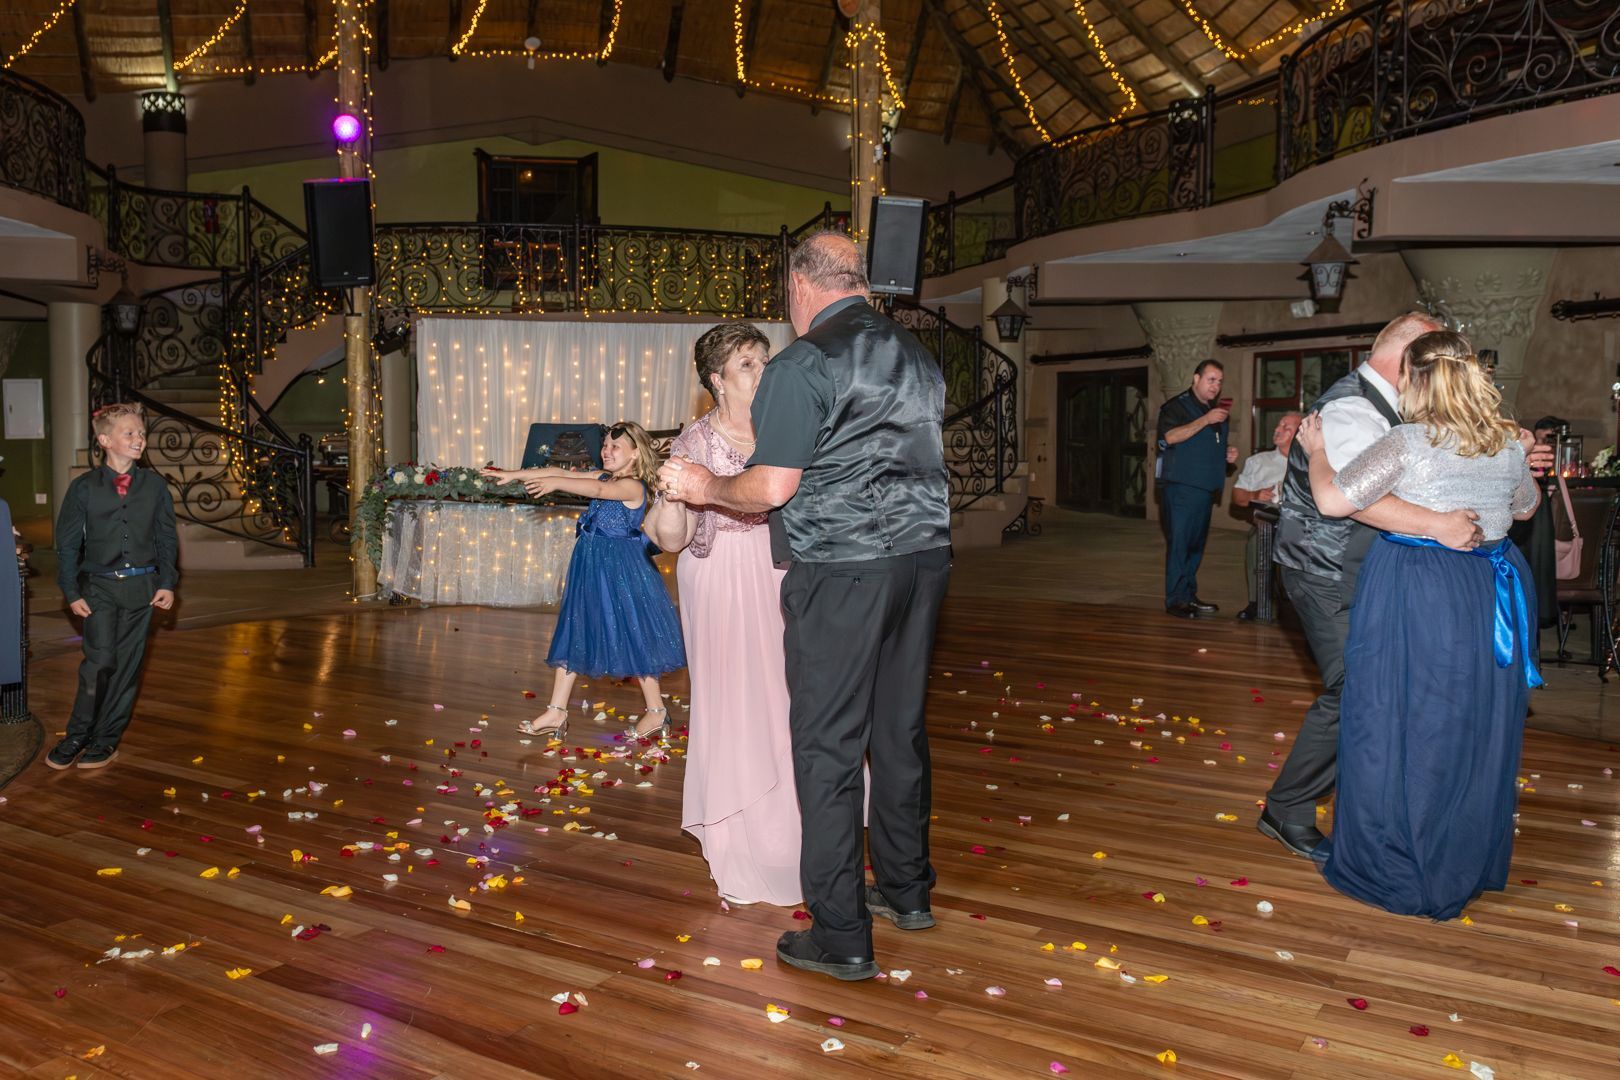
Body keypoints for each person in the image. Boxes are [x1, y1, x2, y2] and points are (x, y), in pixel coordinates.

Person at [656, 232, 951, 982]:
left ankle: (841, 933)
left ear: (798, 284)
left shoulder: (805, 361)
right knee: (898, 730)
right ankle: (907, 890)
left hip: (845, 567)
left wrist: (702, 487)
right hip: (924, 558)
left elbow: (770, 487)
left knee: (827, 745)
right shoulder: (916, 354)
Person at [1260, 312, 1551, 859]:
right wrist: (1439, 522)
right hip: (1330, 572)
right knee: (1357, 689)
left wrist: (1502, 456)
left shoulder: (1414, 415)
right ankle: (1287, 808)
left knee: (1397, 693)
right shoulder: (1350, 410)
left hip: (1392, 577)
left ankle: (1397, 808)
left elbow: (1455, 477)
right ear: (1414, 359)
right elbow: (1353, 500)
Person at [643, 323, 802, 907]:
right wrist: (671, 493)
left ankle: (799, 828)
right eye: (747, 365)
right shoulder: (694, 442)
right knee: (737, 700)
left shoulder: (786, 427)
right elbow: (672, 539)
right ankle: (742, 833)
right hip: (722, 580)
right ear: (717, 380)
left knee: (788, 696)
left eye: (764, 360)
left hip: (781, 572)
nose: (762, 372)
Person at [483, 421, 685, 743]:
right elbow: (560, 472)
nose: (607, 451)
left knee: (634, 635)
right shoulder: (604, 476)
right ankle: (557, 711)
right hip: (590, 566)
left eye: (615, 447)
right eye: (605, 445)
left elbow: (599, 492)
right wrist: (513, 474)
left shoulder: (633, 487)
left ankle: (656, 711)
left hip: (621, 571)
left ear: (635, 453)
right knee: (576, 628)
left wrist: (554, 485)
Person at [48, 403, 178, 771]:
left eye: (141, 433)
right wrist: (71, 590)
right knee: (99, 663)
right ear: (105, 440)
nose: (139, 439)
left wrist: (167, 582)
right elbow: (68, 544)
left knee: (126, 668)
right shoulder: (83, 488)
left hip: (142, 588)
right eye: (130, 433)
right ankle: (77, 734)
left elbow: (166, 538)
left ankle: (106, 739)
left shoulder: (155, 486)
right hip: (98, 588)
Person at [1155, 360, 1239, 619]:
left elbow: (1206, 445)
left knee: (1195, 545)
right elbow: (1169, 437)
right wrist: (1205, 420)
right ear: (1196, 379)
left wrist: (1226, 454)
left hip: (1204, 488)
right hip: (1181, 487)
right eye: (1211, 379)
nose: (1216, 386)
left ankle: (1188, 595)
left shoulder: (1214, 411)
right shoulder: (1177, 406)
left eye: (1219, 381)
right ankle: (1176, 600)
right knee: (1180, 544)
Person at [1231, 411, 1303, 621]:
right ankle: (1257, 602)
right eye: (1279, 425)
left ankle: (1298, 606)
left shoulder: (1311, 463)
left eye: (1286, 427)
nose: (1277, 429)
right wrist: (1255, 495)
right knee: (1257, 542)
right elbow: (1237, 496)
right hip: (1268, 525)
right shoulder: (1258, 461)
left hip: (1302, 527)